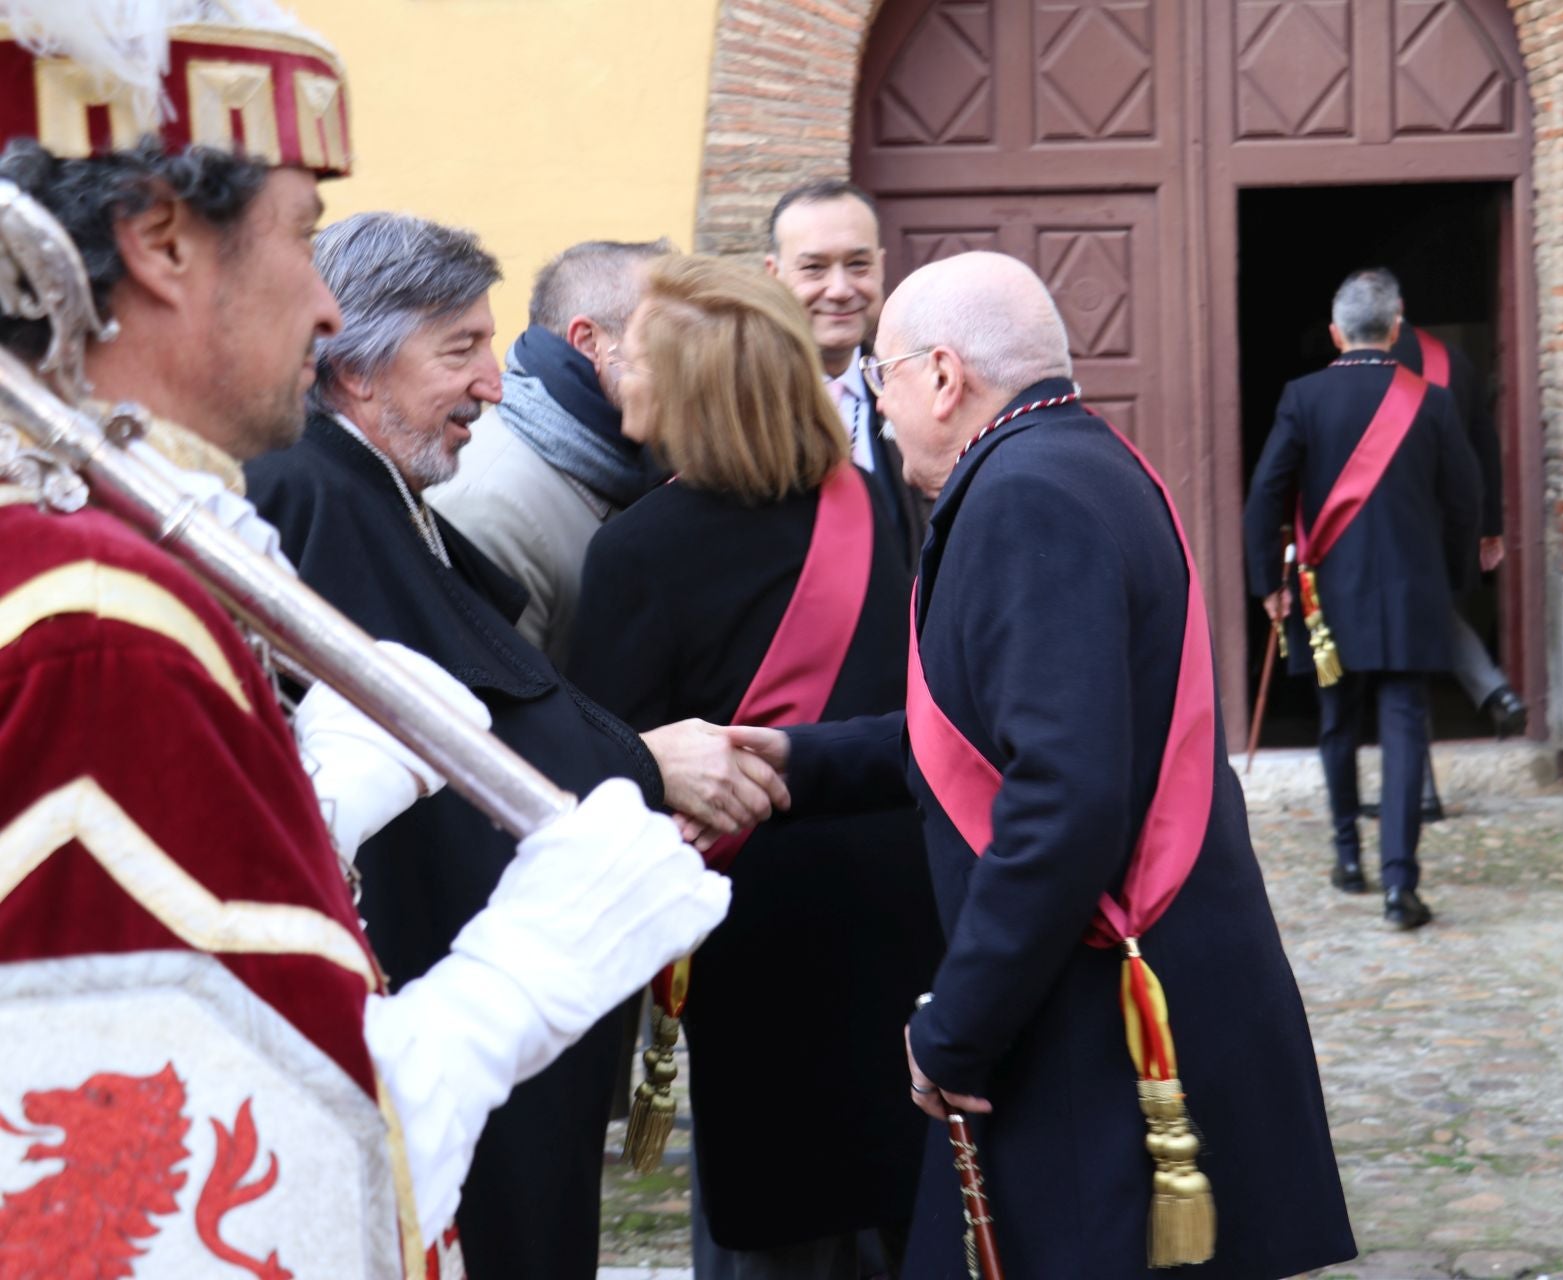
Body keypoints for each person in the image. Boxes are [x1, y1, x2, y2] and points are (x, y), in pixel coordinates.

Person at [0, 3, 729, 1274]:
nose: (331, 309)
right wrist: (518, 981)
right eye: (297, 233)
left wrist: (316, 808)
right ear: (164, 242)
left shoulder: (101, 565)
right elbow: (176, 1196)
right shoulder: (94, 615)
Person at [728, 251, 1354, 1279]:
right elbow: (983, 735)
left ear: (940, 375)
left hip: (1090, 1021)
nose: (877, 413)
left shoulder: (1021, 496)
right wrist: (798, 758)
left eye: (880, 380)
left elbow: (1062, 796)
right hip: (1127, 992)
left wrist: (956, 1027)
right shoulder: (1076, 459)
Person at [242, 211, 785, 1280]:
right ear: (353, 367)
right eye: (459, 349)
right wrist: (643, 763)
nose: (494, 383)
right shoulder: (317, 489)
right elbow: (441, 717)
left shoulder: (365, 481)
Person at [569, 254, 942, 1280]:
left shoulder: (637, 549)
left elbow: (602, 767)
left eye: (638, 358)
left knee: (775, 1230)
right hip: (905, 904)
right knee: (908, 1197)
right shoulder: (880, 500)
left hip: (757, 929)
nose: (620, 375)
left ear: (692, 388)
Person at [1243, 268, 1482, 928]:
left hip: (1325, 602)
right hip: (1411, 597)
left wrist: (1269, 584)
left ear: (1335, 332)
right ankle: (1400, 887)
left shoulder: (1302, 396)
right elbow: (1466, 499)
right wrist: (1454, 577)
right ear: (1397, 329)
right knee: (1406, 729)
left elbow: (1265, 496)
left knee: (1335, 723)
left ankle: (1348, 857)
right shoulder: (1429, 400)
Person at [428, 237, 674, 662]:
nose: (693, 357)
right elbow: (499, 712)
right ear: (588, 342)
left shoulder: (635, 462)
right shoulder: (489, 505)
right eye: (670, 335)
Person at [765, 178, 926, 566]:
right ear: (774, 275)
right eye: (814, 268)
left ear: (881, 266)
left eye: (858, 265)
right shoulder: (737, 404)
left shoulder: (922, 392)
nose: (839, 289)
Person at [1390, 310, 1527, 736]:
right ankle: (1493, 690)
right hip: (1448, 518)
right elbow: (1485, 446)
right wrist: (1490, 526)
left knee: (1405, 646)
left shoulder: (1355, 371)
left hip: (1380, 521)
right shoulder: (1453, 360)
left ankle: (1419, 773)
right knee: (1434, 613)